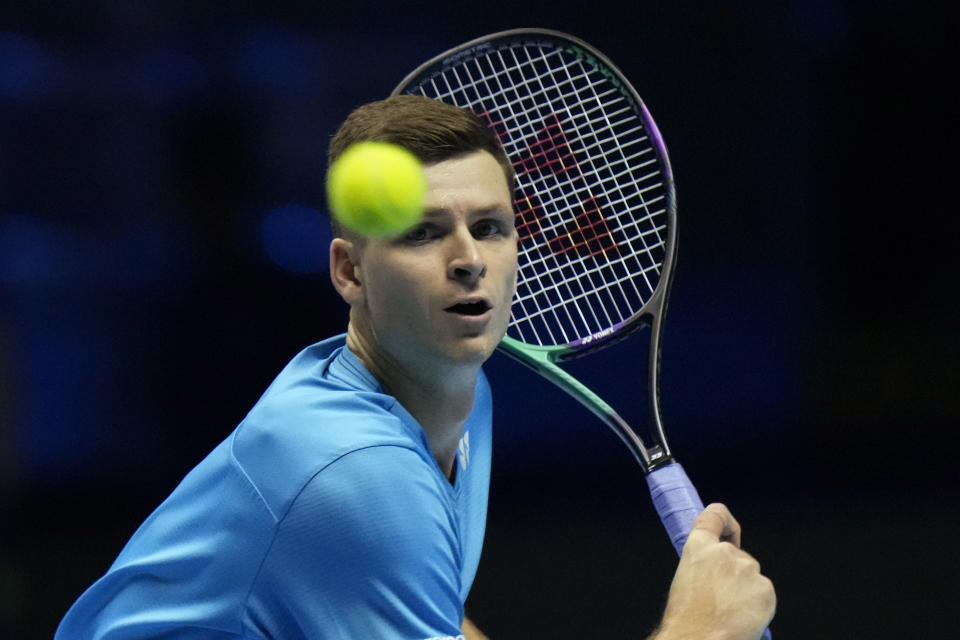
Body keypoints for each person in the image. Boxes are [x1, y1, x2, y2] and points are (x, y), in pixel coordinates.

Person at [56, 95, 774, 639]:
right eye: (424, 233)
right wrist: (698, 629)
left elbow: (426, 614)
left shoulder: (459, 401)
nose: (467, 258)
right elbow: (380, 538)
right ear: (349, 271)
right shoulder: (354, 474)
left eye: (489, 227)